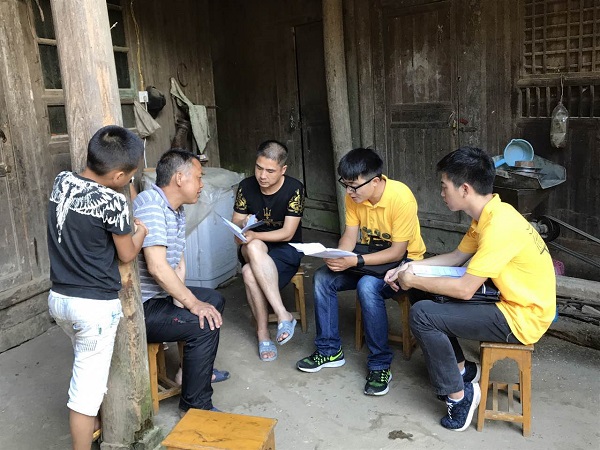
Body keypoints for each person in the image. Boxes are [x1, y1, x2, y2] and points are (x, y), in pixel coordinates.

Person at [389, 146, 556, 432]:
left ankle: (459, 396)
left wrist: (412, 279)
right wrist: (409, 267)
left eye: (444, 186)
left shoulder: (499, 226)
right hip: (507, 298)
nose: (442, 193)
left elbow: (465, 289)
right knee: (419, 292)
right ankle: (463, 370)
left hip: (521, 316)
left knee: (422, 315)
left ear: (464, 189)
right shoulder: (489, 214)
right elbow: (456, 257)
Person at [47, 125, 148, 450]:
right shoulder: (112, 202)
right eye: (130, 177)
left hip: (59, 299)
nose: (130, 182)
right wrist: (141, 232)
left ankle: (95, 422)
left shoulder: (62, 181)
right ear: (118, 176)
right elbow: (126, 254)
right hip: (94, 308)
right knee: (85, 395)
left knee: (86, 364)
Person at [296, 147, 426, 396]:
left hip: (404, 262)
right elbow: (349, 236)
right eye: (345, 185)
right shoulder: (354, 197)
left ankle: (380, 365)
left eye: (354, 186)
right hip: (367, 255)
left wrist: (354, 261)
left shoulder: (401, 198)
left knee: (368, 286)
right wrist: (337, 256)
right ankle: (329, 350)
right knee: (323, 277)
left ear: (375, 181)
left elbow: (397, 252)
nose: (349, 192)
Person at [133, 148, 226, 414]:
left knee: (213, 300)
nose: (201, 184)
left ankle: (190, 373)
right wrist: (192, 304)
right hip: (141, 308)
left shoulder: (175, 209)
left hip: (159, 298)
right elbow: (157, 267)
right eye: (198, 177)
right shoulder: (151, 205)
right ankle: (196, 406)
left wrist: (184, 301)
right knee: (203, 324)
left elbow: (177, 264)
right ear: (179, 178)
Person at [232, 140, 305, 361]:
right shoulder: (246, 186)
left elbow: (288, 233)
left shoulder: (294, 189)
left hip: (286, 247)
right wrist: (244, 225)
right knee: (253, 247)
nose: (262, 176)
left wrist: (256, 236)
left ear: (283, 169)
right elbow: (236, 226)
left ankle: (263, 334)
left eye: (270, 171)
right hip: (252, 245)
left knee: (248, 272)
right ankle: (283, 314)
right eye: (259, 168)